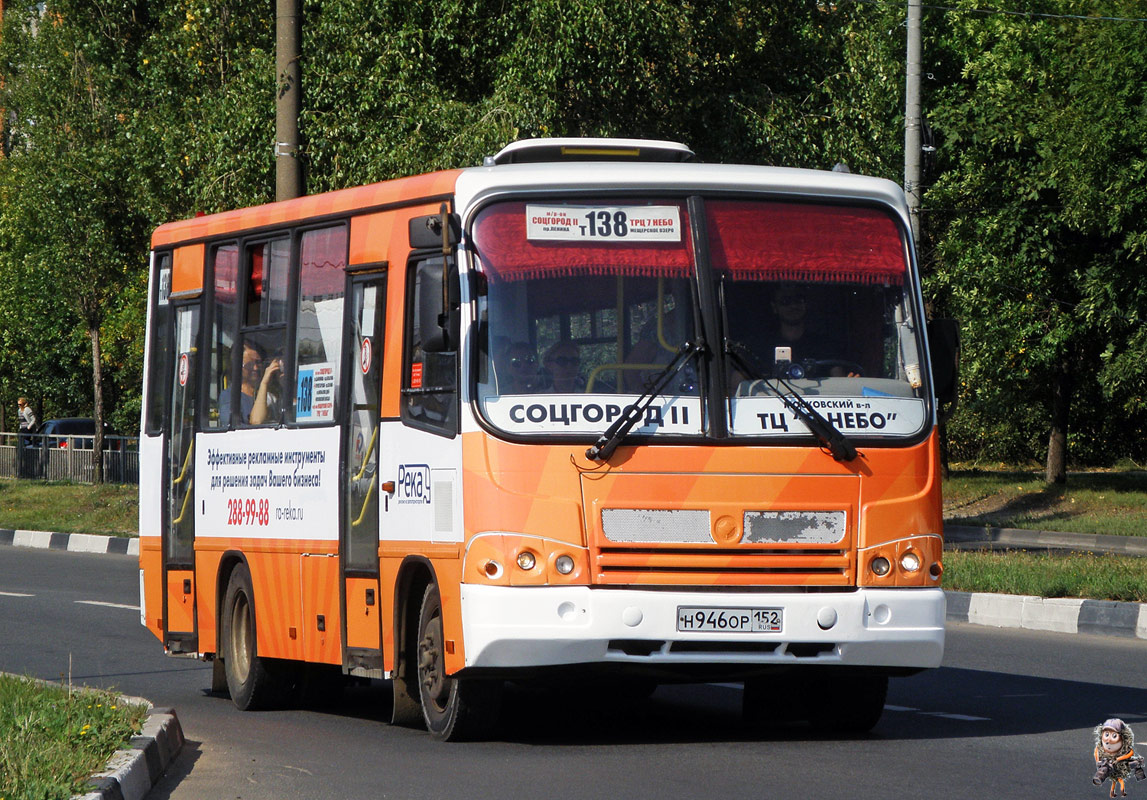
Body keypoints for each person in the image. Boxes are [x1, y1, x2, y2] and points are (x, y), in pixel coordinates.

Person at [220, 341, 281, 426]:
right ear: (237, 366)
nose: (255, 368)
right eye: (249, 364)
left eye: (258, 363)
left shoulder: (269, 396)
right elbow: (234, 428)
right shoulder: (229, 396)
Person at [16, 397, 38, 478]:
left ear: (24, 404)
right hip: (22, 429)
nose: (19, 406)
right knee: (20, 444)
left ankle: (28, 459)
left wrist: (29, 427)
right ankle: (22, 466)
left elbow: (33, 419)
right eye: (18, 404)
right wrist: (20, 427)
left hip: (28, 429)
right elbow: (20, 421)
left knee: (25, 443)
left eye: (20, 404)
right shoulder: (19, 411)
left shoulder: (27, 409)